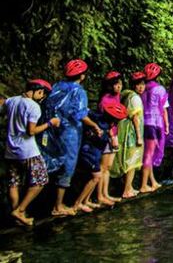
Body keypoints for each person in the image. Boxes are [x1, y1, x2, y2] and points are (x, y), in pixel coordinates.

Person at [41, 59, 101, 217]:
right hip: (70, 133)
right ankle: (58, 206)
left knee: (52, 162)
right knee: (67, 166)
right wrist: (94, 125)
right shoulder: (78, 91)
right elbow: (80, 114)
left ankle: (48, 203)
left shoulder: (56, 87)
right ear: (81, 76)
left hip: (53, 130)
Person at [4, 79, 58, 226]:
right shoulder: (33, 106)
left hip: (10, 150)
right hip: (28, 151)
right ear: (38, 92)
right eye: (42, 94)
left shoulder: (12, 101)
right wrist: (49, 123)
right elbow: (31, 131)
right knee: (41, 180)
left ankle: (17, 216)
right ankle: (20, 210)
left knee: (13, 183)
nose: (42, 97)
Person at [76, 99, 127, 213]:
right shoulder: (102, 125)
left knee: (96, 176)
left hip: (94, 152)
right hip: (89, 152)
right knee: (96, 176)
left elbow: (87, 112)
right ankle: (78, 203)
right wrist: (105, 134)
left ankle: (86, 200)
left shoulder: (100, 119)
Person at [111, 71, 145, 198]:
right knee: (132, 161)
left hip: (123, 131)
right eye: (138, 85)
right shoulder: (134, 98)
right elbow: (135, 117)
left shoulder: (125, 95)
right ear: (133, 85)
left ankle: (129, 187)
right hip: (131, 133)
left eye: (143, 84)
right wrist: (139, 137)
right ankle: (127, 190)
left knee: (127, 159)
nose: (141, 87)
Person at [140, 62, 169, 193]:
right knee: (149, 154)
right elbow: (164, 110)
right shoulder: (160, 90)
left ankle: (152, 181)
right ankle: (143, 185)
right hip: (155, 123)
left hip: (143, 124)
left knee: (148, 154)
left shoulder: (141, 89)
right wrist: (167, 125)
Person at [97, 71, 123, 205]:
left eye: (119, 84)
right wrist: (112, 136)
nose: (118, 87)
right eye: (115, 84)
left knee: (108, 167)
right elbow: (104, 121)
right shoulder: (105, 100)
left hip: (114, 133)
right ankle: (100, 195)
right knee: (103, 167)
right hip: (107, 135)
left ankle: (105, 193)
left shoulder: (117, 96)